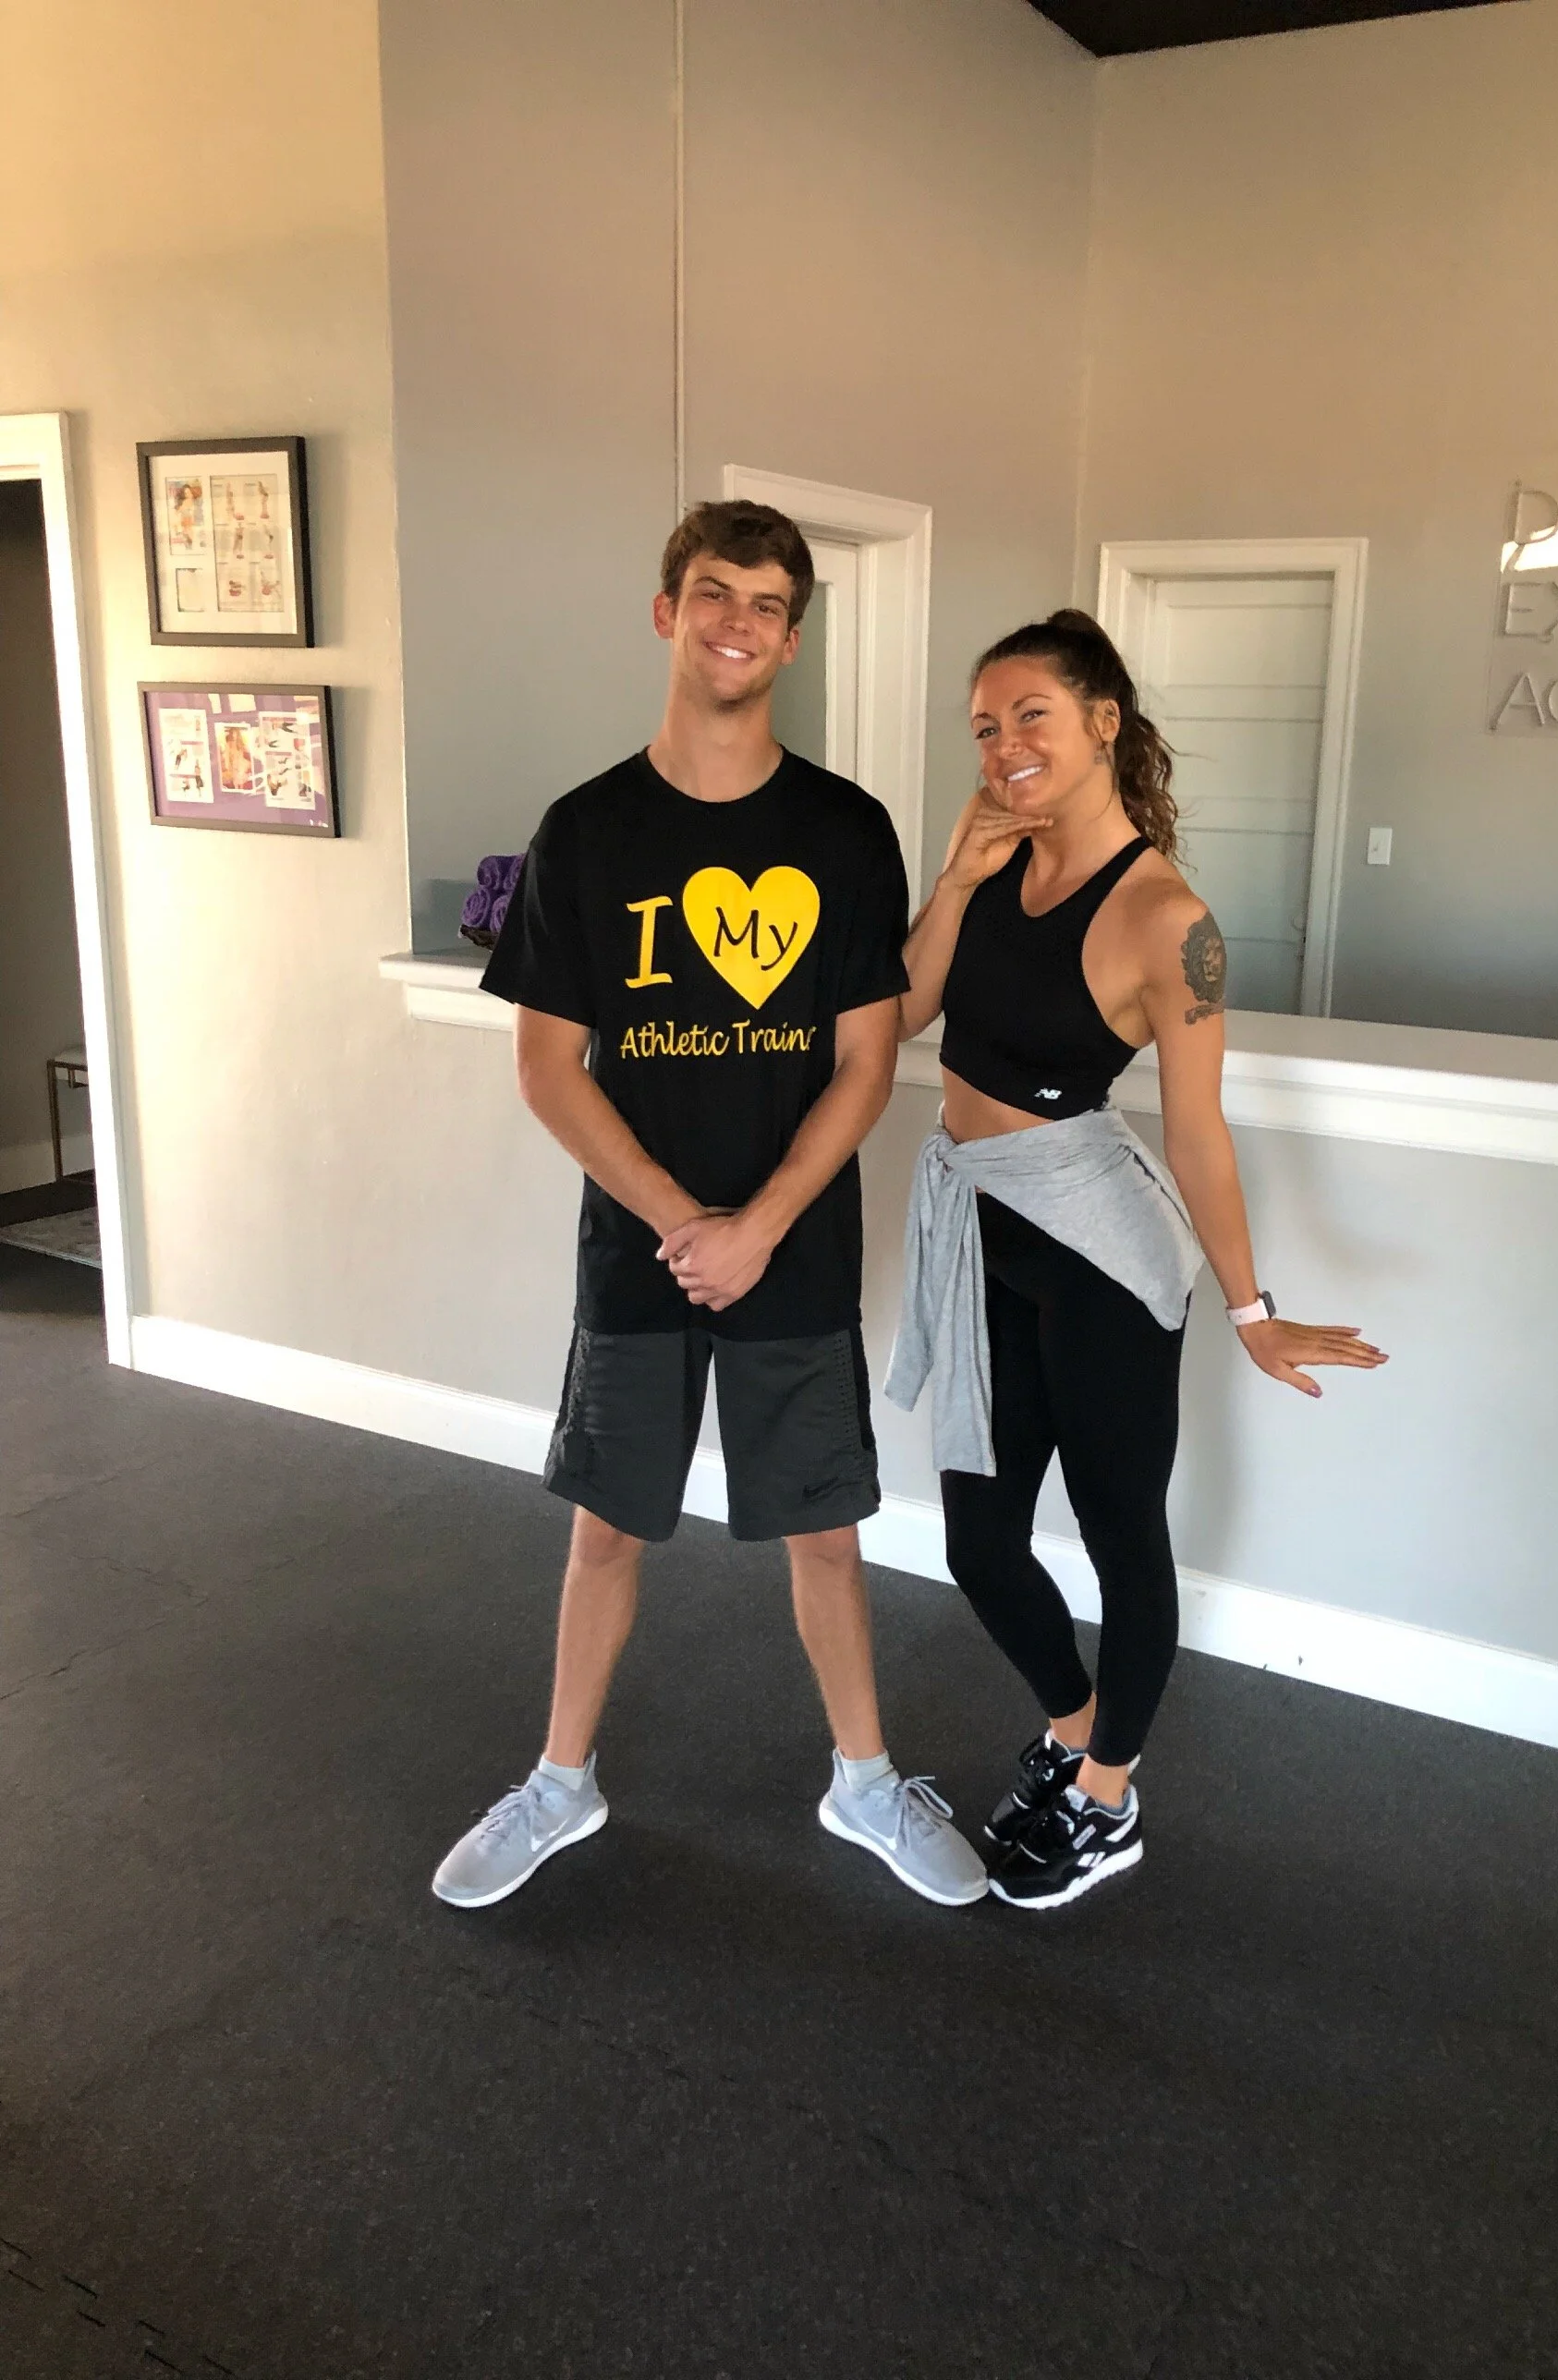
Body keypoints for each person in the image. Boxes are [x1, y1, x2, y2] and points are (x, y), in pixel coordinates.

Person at [432, 500, 985, 1913]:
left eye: (766, 604)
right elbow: (548, 1071)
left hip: (791, 1252)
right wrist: (690, 1224)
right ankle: (560, 1781)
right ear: (666, 612)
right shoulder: (587, 832)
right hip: (641, 1258)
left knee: (822, 1532)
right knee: (605, 1528)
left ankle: (863, 1780)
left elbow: (868, 1062)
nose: (738, 621)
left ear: (790, 640)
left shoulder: (843, 830)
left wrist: (759, 1226)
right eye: (713, 592)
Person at [888, 609, 1386, 1911]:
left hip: (1099, 1257)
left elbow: (1197, 1131)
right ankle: (1071, 1733)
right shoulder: (995, 859)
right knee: (979, 1542)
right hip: (981, 1226)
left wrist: (1253, 1313)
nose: (1003, 746)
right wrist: (954, 878)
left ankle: (1107, 1800)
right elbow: (907, 1010)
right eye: (984, 726)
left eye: (1030, 716)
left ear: (1102, 721)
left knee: (1121, 1539)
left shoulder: (1170, 920)